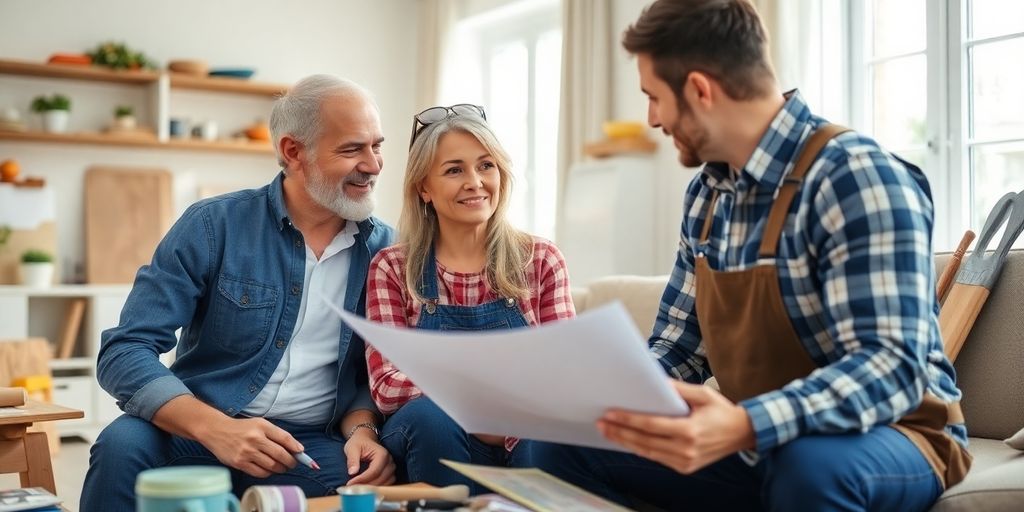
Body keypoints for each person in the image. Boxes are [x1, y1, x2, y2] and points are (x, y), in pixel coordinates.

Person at [525, 1, 972, 511]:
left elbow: (891, 368)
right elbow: (678, 349)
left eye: (653, 97)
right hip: (758, 439)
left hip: (895, 433)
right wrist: (623, 402)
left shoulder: (854, 177)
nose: (651, 119)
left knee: (806, 465)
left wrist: (747, 423)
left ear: (699, 89)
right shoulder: (706, 196)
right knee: (561, 445)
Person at [81, 75, 397, 510]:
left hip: (306, 443)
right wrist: (214, 428)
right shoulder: (212, 226)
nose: (374, 164)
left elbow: (373, 372)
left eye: (376, 146)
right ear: (293, 152)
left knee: (362, 494)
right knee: (120, 445)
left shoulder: (387, 251)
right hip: (195, 424)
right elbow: (124, 350)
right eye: (351, 149)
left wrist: (364, 431)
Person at [364, 106, 574, 492]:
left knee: (545, 433)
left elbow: (560, 374)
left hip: (519, 429)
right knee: (431, 417)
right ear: (423, 188)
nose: (475, 182)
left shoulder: (542, 260)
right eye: (454, 170)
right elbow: (387, 385)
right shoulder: (393, 267)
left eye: (486, 165)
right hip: (433, 435)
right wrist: (481, 406)